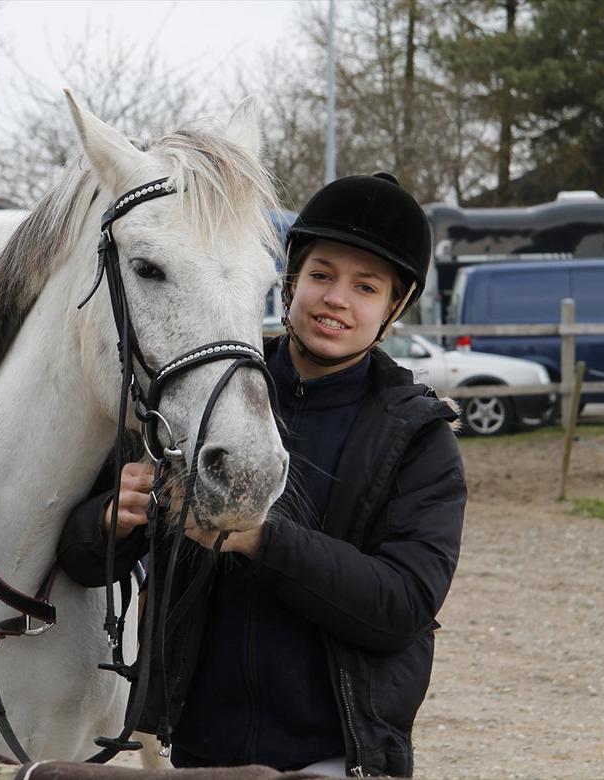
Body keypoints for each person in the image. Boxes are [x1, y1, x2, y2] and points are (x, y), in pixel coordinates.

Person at [57, 172, 467, 778]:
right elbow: (84, 563)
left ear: (394, 308)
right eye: (322, 275)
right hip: (197, 752)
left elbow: (403, 605)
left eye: (366, 287)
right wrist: (108, 521)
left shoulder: (418, 438)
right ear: (292, 280)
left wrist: (261, 541)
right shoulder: (197, 394)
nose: (336, 299)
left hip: (336, 756)